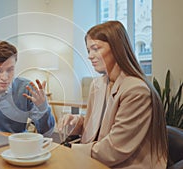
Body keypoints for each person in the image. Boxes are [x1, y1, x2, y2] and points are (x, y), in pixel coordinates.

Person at [58, 21, 167, 168]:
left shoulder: (136, 91)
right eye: (88, 50)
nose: (90, 56)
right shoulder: (98, 84)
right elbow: (98, 127)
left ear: (117, 49)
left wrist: (70, 149)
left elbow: (115, 149)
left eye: (95, 49)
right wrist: (76, 122)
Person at [0, 40, 55, 136]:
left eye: (10, 70)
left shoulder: (25, 89)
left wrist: (43, 108)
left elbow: (46, 133)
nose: (4, 77)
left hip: (16, 146)